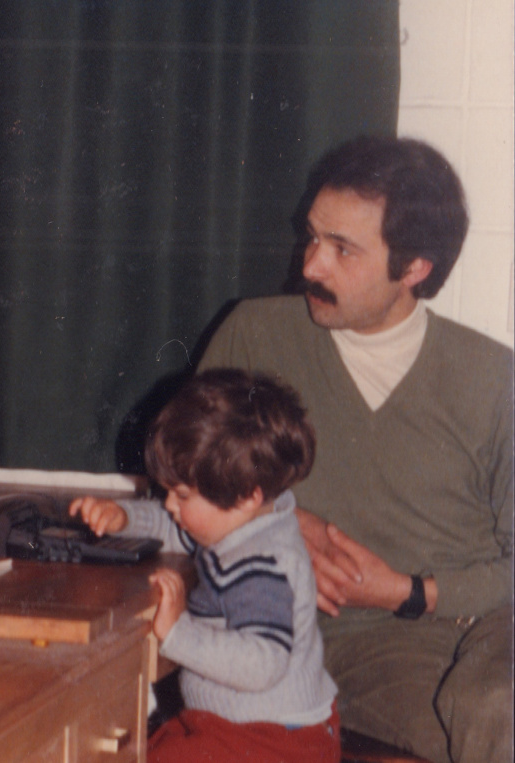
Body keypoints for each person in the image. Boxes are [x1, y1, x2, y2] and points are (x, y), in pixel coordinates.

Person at [195, 135, 513, 763]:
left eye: (343, 249)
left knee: (500, 705)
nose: (312, 266)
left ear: (414, 268)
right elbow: (181, 483)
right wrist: (280, 516)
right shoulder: (255, 336)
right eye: (313, 237)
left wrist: (411, 591)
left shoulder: (493, 379)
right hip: (363, 642)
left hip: (496, 624)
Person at [70, 368, 341, 763]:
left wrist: (179, 632)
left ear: (246, 496)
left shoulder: (263, 562)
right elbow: (174, 526)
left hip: (277, 738)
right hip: (241, 724)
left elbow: (263, 664)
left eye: (182, 495)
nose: (170, 505)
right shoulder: (237, 522)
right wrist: (123, 518)